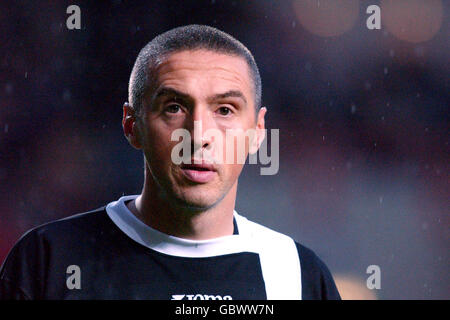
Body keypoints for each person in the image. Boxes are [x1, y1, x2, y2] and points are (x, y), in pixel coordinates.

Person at [0, 25, 340, 300]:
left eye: (224, 110)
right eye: (175, 107)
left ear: (257, 132)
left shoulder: (298, 275)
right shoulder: (49, 260)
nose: (199, 135)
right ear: (132, 126)